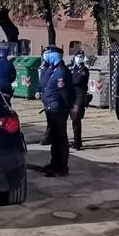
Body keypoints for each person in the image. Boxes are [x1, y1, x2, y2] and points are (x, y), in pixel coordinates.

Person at [41, 45, 73, 177]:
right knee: (55, 139)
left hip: (59, 110)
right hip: (52, 109)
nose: (46, 56)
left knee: (60, 139)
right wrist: (46, 68)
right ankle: (54, 164)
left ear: (54, 55)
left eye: (48, 54)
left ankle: (62, 167)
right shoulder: (53, 69)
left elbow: (65, 93)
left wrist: (66, 107)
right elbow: (43, 83)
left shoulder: (61, 71)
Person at [70, 50, 89, 150]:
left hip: (80, 96)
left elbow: (78, 80)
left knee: (76, 118)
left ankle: (77, 143)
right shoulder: (74, 68)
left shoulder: (83, 69)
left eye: (80, 56)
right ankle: (77, 141)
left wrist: (69, 81)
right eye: (77, 56)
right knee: (74, 120)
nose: (79, 57)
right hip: (73, 96)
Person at [37, 48, 52, 145]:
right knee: (49, 117)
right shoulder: (44, 66)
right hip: (45, 96)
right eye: (44, 53)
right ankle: (49, 136)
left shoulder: (53, 67)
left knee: (51, 118)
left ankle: (48, 137)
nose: (46, 55)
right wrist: (38, 90)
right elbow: (41, 81)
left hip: (51, 95)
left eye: (48, 54)